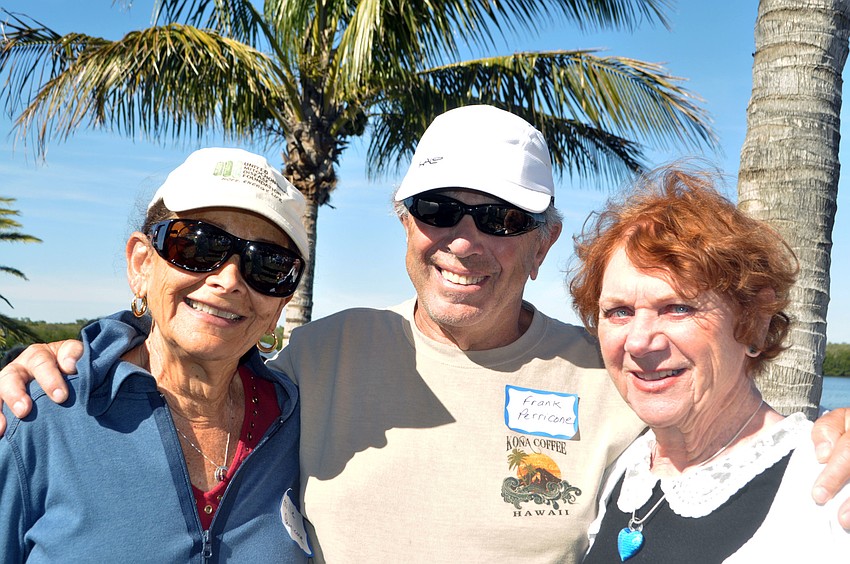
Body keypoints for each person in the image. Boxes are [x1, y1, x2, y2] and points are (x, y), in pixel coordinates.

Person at [2, 106, 850, 562]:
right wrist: (79, 348)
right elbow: (199, 340)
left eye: (501, 218)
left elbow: (725, 429)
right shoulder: (324, 355)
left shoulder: (613, 376)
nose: (465, 241)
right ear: (405, 222)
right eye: (441, 212)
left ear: (544, 242)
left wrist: (832, 436)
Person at [0, 148, 312, 561]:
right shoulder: (40, 420)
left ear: (281, 303)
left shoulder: (299, 423)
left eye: (267, 265)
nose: (229, 279)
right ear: (142, 264)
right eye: (199, 245)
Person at [572, 166, 850, 562]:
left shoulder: (825, 484)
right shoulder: (628, 470)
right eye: (618, 312)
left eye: (678, 308)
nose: (638, 341)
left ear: (753, 322)